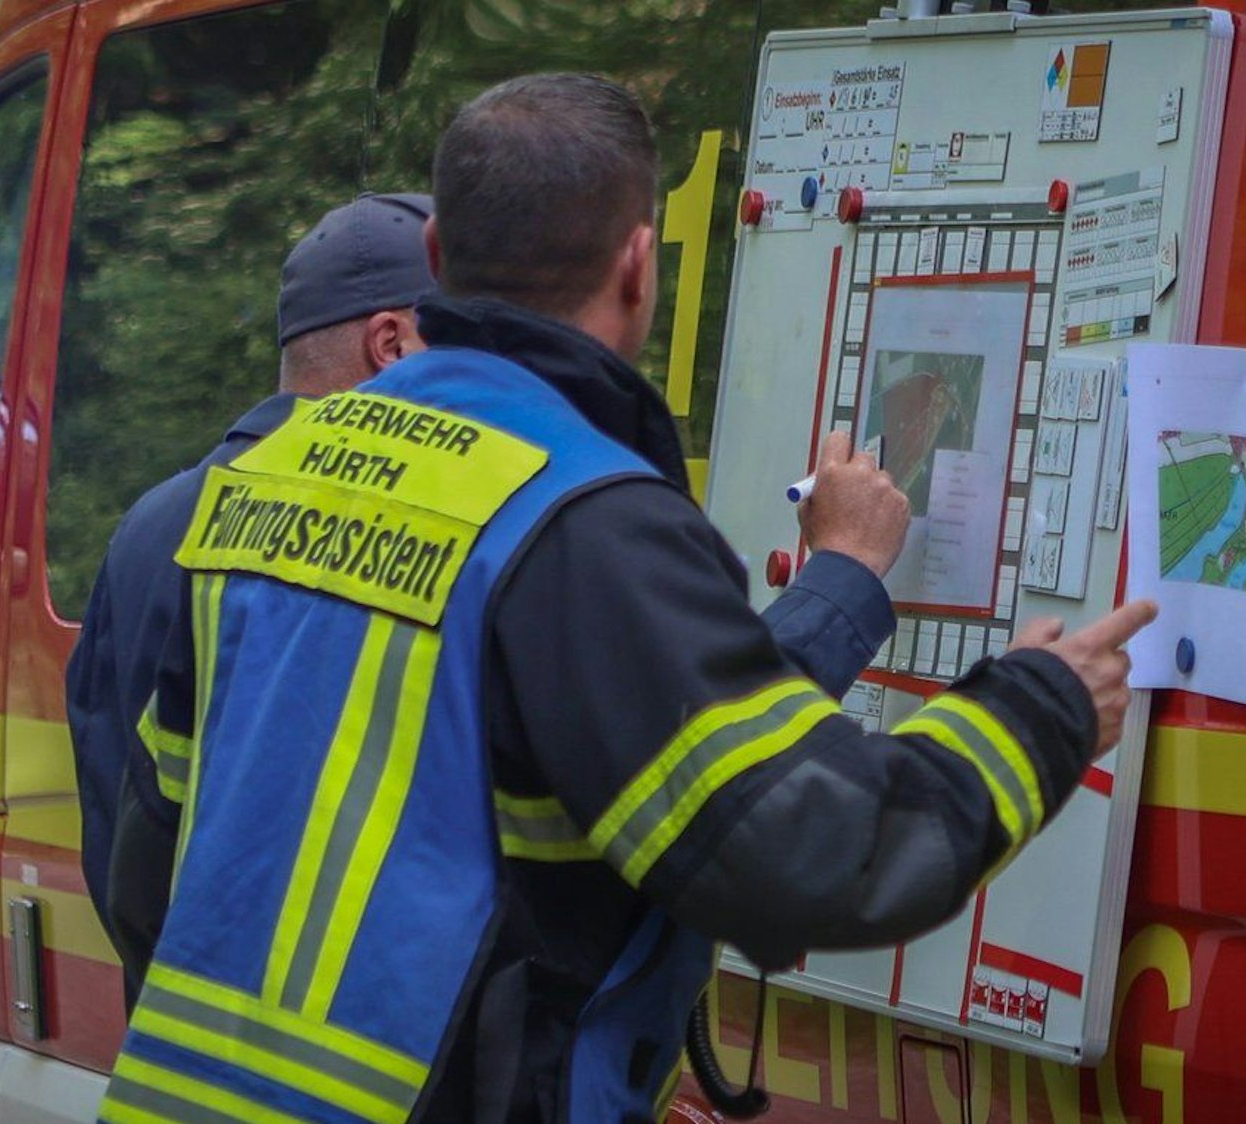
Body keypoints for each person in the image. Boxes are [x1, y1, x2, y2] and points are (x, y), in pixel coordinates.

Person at [99, 75, 1155, 1124]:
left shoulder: (260, 483)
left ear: (436, 262)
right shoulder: (580, 519)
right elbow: (815, 852)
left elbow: (147, 854)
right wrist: (1043, 706)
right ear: (639, 265)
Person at [65, 193, 437, 1003]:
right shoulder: (377, 533)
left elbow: (111, 817)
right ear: (390, 344)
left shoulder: (148, 525)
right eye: (461, 354)